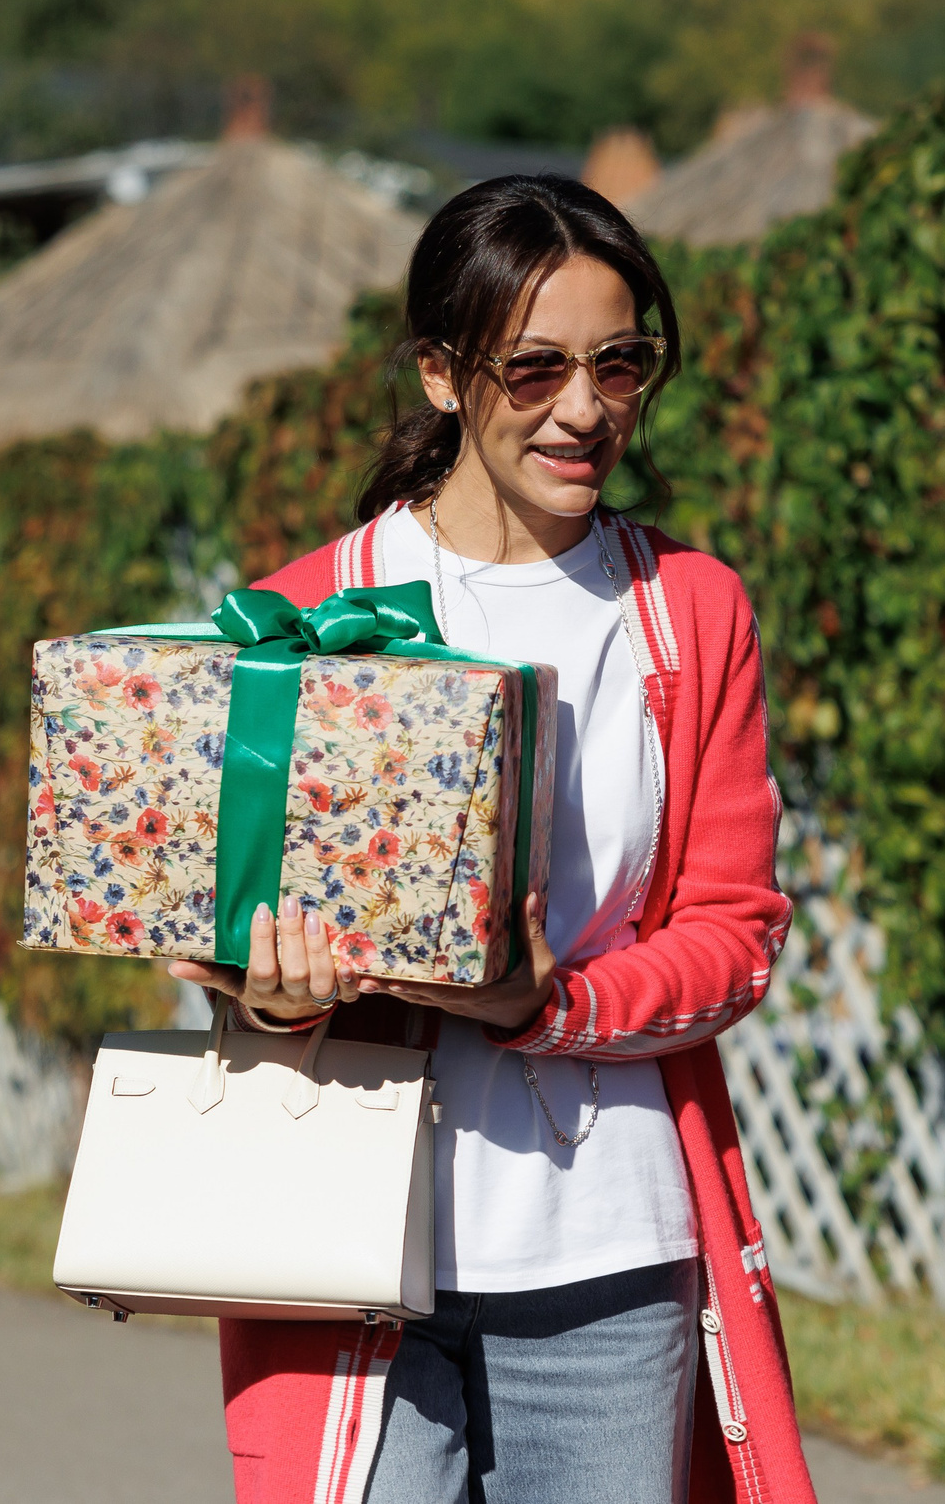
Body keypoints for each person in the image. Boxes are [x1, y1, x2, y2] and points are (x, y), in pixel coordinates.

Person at [167, 174, 812, 1504]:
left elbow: (734, 936)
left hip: (610, 1252)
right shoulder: (310, 616)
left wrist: (550, 1004)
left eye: (622, 361)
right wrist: (268, 994)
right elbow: (225, 918)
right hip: (346, 1244)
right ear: (444, 375)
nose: (587, 408)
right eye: (537, 367)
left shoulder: (688, 613)